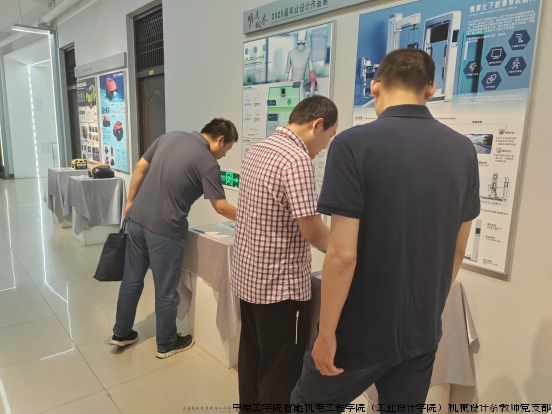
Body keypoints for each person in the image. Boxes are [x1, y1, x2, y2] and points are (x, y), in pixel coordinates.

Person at [291, 49, 481, 408]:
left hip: (359, 330)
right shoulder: (463, 150)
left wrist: (326, 333)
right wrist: (429, 309)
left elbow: (342, 255)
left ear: (375, 86)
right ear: (431, 90)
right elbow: (458, 248)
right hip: (422, 329)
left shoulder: (351, 145)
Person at [232, 96, 338, 404]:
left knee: (252, 358)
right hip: (281, 289)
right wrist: (345, 250)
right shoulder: (297, 159)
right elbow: (313, 232)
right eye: (329, 137)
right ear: (317, 124)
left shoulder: (259, 149)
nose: (324, 148)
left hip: (249, 280)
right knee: (281, 372)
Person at [110, 118, 238, 359]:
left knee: (131, 280)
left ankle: (121, 333)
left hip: (137, 221)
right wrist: (250, 217)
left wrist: (130, 202)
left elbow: (140, 167)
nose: (224, 155)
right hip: (165, 230)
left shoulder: (169, 136)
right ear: (220, 139)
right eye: (227, 149)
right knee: (166, 289)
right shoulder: (208, 162)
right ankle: (166, 343)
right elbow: (220, 206)